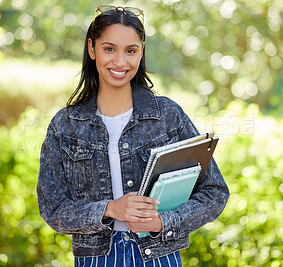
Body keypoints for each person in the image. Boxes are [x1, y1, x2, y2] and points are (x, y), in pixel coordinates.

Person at [37, 5, 229, 266]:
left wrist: (164, 221)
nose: (120, 62)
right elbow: (53, 209)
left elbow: (214, 192)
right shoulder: (65, 125)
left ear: (141, 52)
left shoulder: (168, 116)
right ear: (92, 49)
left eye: (130, 50)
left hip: (159, 257)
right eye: (109, 49)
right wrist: (110, 209)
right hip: (97, 260)